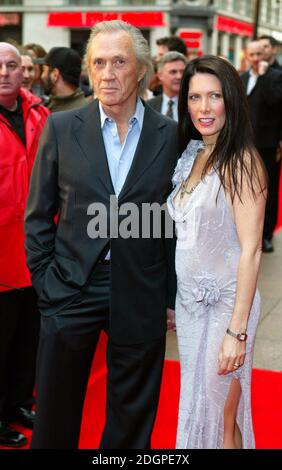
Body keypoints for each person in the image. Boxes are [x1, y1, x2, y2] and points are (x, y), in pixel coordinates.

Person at [24, 20, 178, 449]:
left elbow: (171, 224)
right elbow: (38, 215)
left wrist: (168, 295)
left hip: (140, 288)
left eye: (119, 62)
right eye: (98, 63)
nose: (107, 73)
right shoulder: (60, 127)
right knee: (55, 411)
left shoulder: (170, 136)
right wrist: (46, 281)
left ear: (142, 69)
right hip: (71, 284)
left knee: (132, 416)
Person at [167, 55, 267, 449]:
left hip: (228, 307)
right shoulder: (193, 153)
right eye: (194, 98)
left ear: (232, 100)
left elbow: (252, 251)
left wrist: (236, 332)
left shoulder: (242, 162)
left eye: (214, 96)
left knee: (219, 415)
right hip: (190, 307)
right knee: (199, 407)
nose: (203, 109)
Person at [0, 42, 49, 447]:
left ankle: (18, 401)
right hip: (0, 251)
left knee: (26, 338)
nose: (4, 72)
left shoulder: (40, 114)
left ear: (24, 71)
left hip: (34, 251)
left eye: (12, 65)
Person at [241, 40, 282, 253]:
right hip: (243, 145)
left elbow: (276, 102)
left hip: (267, 144)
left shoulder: (275, 77)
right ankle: (246, 233)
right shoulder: (243, 78)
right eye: (252, 54)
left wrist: (264, 77)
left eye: (260, 54)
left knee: (268, 191)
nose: (256, 58)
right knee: (244, 190)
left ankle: (266, 236)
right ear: (246, 55)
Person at [34, 47, 88, 112]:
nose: (42, 76)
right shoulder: (84, 108)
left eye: (44, 70)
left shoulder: (76, 113)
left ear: (55, 75)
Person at [147, 51, 186, 121]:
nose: (179, 76)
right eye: (173, 72)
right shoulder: (149, 106)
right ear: (160, 75)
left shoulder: (193, 105)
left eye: (182, 72)